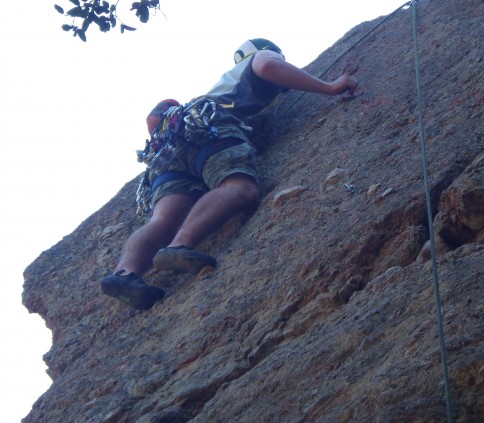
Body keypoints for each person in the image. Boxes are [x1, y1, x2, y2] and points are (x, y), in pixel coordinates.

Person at [101, 38, 358, 310]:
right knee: (240, 188)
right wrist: (330, 87)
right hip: (212, 129)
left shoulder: (223, 86)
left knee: (164, 219)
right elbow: (269, 65)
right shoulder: (260, 57)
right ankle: (179, 247)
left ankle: (125, 275)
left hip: (170, 149)